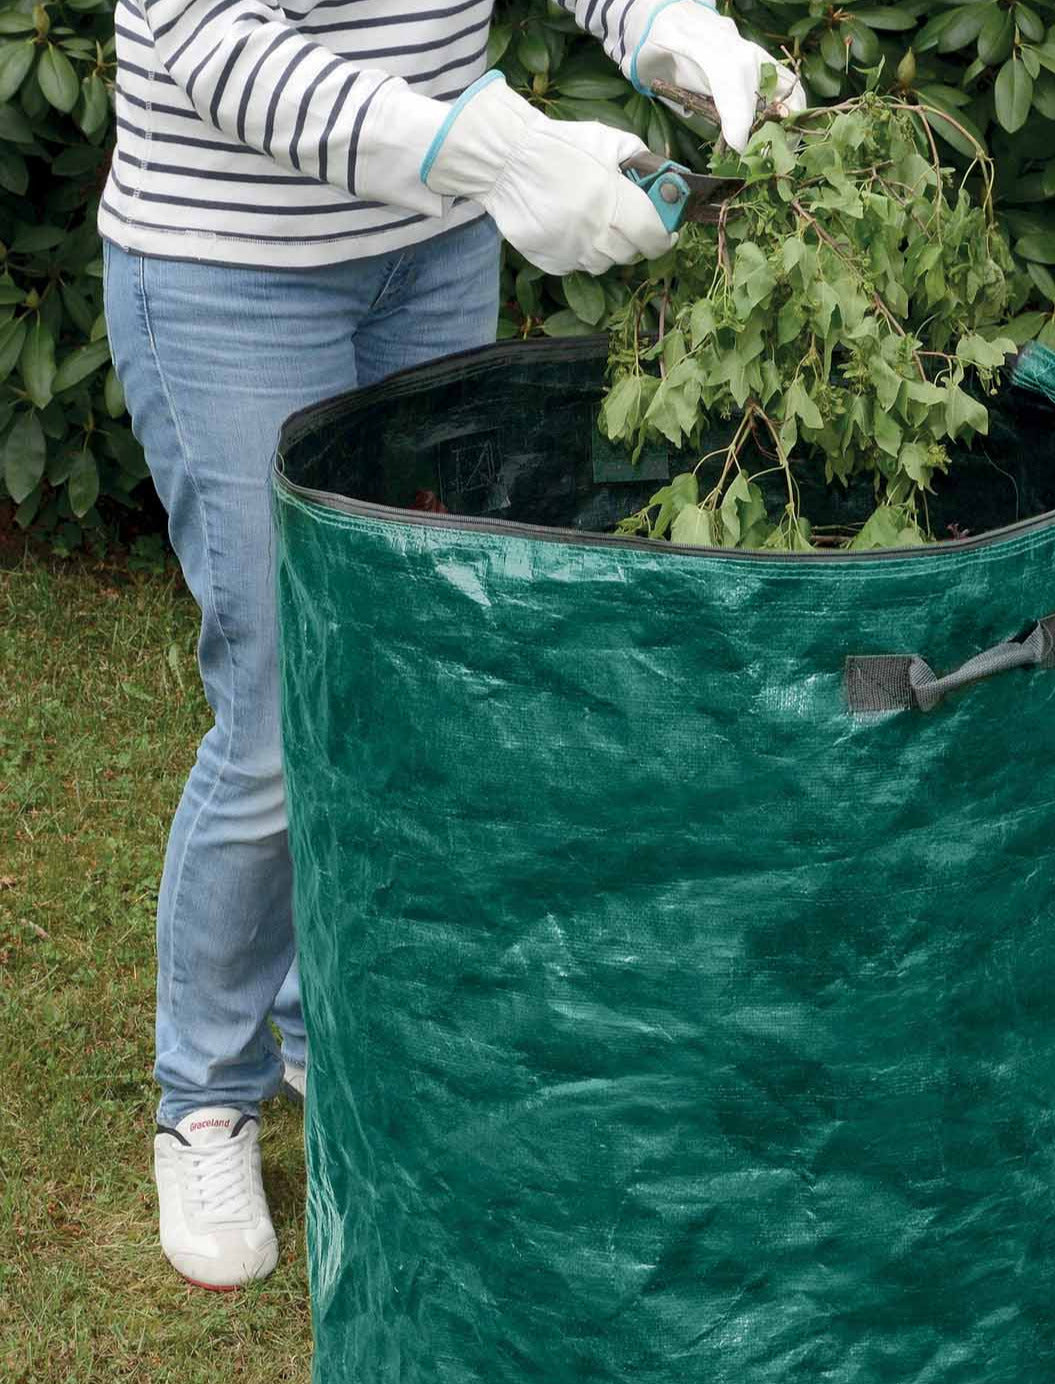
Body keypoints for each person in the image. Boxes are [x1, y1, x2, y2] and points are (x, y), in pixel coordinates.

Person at [103, 0, 803, 1291]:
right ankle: (204, 1094)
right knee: (277, 713)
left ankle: (335, 1022)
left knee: (411, 670)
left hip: (425, 260)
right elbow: (211, 43)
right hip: (226, 274)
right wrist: (483, 152)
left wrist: (669, 32)